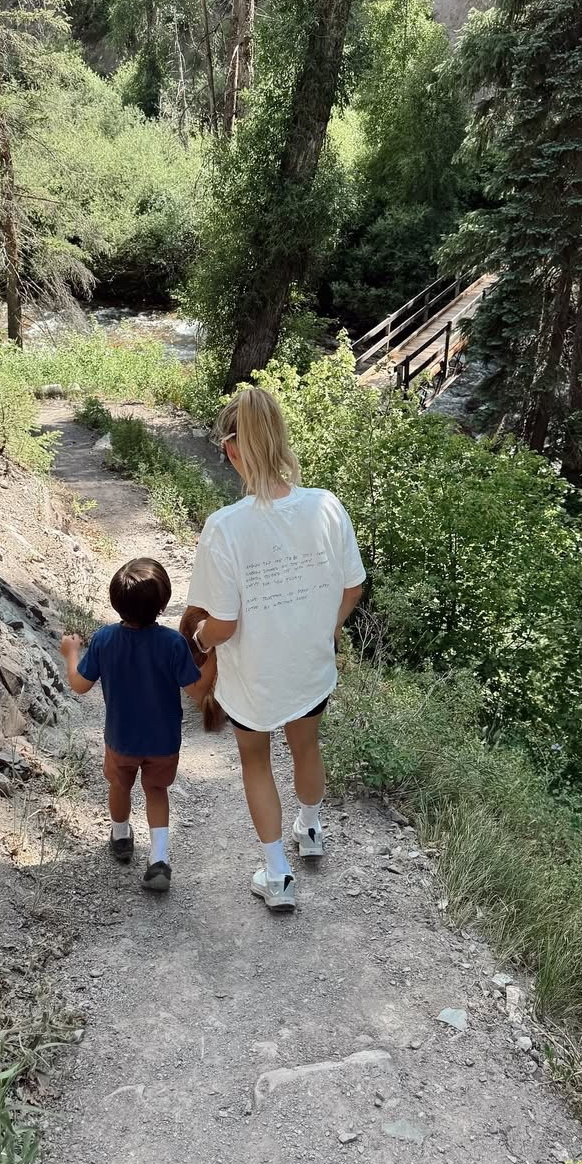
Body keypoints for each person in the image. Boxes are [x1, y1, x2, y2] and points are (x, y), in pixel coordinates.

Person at [187, 387, 365, 912]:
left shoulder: (225, 527)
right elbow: (352, 588)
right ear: (281, 440)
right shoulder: (327, 506)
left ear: (233, 450)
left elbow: (222, 623)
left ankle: (278, 874)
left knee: (256, 761)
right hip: (309, 666)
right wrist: (327, 629)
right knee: (307, 747)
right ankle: (310, 832)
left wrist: (198, 642)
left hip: (255, 677)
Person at [60, 557, 202, 893]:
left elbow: (80, 686)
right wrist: (213, 661)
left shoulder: (105, 639)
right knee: (156, 791)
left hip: (120, 738)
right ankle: (158, 861)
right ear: (164, 604)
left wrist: (70, 654)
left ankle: (121, 837)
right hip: (163, 740)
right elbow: (195, 691)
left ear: (115, 602)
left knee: (119, 786)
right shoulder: (173, 644)